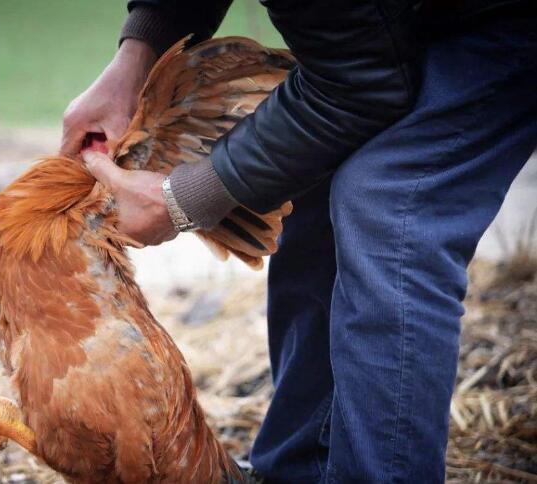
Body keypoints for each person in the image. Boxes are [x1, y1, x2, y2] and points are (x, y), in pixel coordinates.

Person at [62, 1, 537, 482]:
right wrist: (135, 58)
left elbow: (358, 85)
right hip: (400, 23)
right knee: (310, 167)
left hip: (503, 21)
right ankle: (298, 470)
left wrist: (184, 199)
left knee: (388, 199)